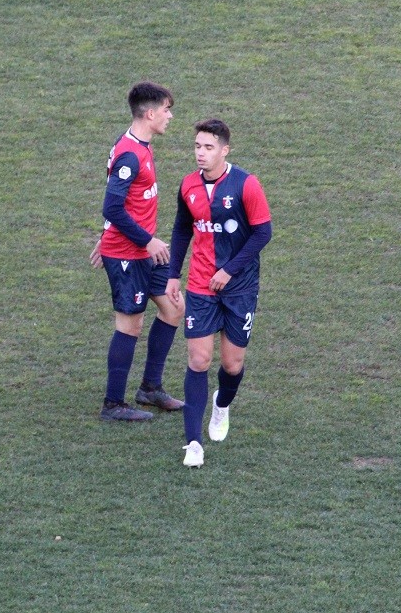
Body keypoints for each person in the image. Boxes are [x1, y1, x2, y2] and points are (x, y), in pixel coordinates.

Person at [166, 119, 272, 467]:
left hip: (240, 287)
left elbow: (263, 233)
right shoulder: (188, 185)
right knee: (198, 360)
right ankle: (193, 444)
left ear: (224, 150)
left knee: (232, 364)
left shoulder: (246, 184)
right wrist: (172, 275)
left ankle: (222, 404)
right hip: (200, 286)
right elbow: (182, 230)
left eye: (208, 147)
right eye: (197, 146)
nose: (201, 153)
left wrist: (229, 270)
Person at [90, 81, 186, 421]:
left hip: (144, 249)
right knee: (130, 325)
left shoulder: (139, 146)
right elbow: (112, 206)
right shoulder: (130, 155)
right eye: (166, 110)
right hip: (128, 254)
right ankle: (113, 404)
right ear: (150, 114)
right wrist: (145, 240)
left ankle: (150, 388)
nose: (170, 116)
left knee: (174, 308)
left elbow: (123, 205)